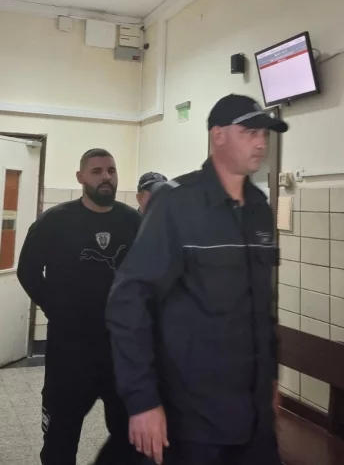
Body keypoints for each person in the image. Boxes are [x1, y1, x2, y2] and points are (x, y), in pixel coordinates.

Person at [106, 94, 287, 465]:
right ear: (218, 136)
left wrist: (269, 378)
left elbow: (262, 308)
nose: (260, 142)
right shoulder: (176, 204)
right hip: (192, 418)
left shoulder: (259, 209)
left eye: (264, 134)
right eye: (249, 132)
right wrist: (142, 401)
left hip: (255, 418)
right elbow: (129, 301)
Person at [19, 148, 144, 465]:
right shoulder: (55, 221)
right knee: (60, 436)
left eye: (111, 171)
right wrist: (55, 308)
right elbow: (27, 271)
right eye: (97, 171)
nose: (106, 177)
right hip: (70, 349)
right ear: (80, 177)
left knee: (128, 436)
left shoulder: (133, 221)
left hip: (119, 348)